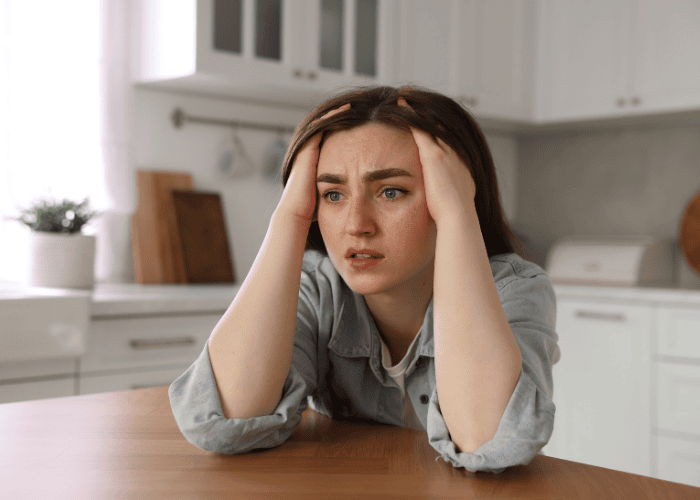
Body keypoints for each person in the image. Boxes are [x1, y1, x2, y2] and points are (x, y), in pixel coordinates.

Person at [169, 86, 560, 473]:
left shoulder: (515, 288)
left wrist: (459, 215)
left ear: (452, 193)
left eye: (391, 192)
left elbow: (487, 441)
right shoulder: (319, 287)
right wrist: (290, 215)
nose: (357, 226)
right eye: (333, 195)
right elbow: (226, 424)